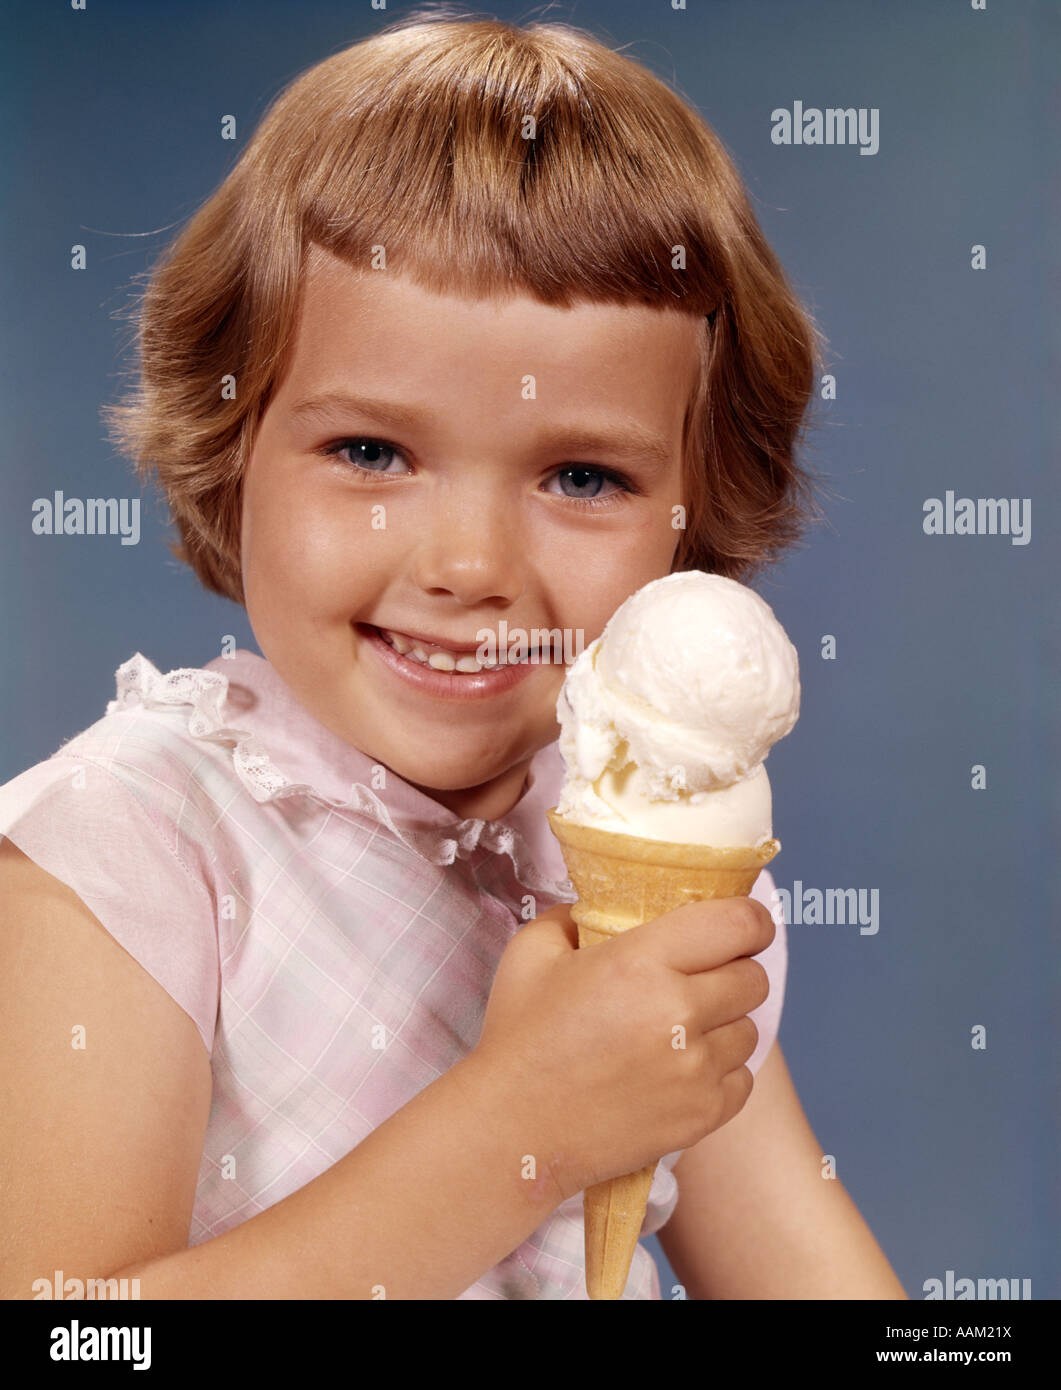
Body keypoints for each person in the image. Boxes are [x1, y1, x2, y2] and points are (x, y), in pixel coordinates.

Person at [0, 10, 906, 1300]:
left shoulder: (646, 872)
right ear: (234, 445)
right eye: (371, 452)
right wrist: (523, 1126)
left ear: (700, 512)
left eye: (581, 474)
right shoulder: (129, 851)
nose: (470, 563)